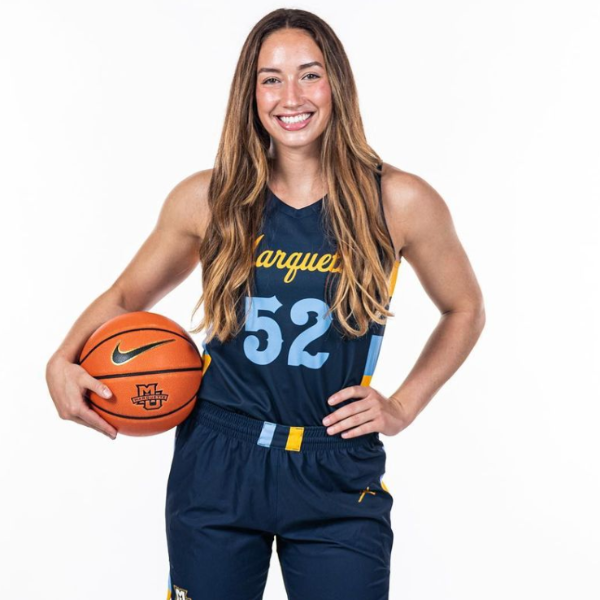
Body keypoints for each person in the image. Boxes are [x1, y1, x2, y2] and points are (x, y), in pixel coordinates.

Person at [46, 8, 485, 600]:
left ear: (337, 84)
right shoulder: (209, 198)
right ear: (249, 94)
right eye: (271, 79)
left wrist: (403, 406)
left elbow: (464, 308)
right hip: (218, 458)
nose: (291, 97)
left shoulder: (397, 200)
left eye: (310, 75)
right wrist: (61, 360)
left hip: (334, 462)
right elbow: (127, 296)